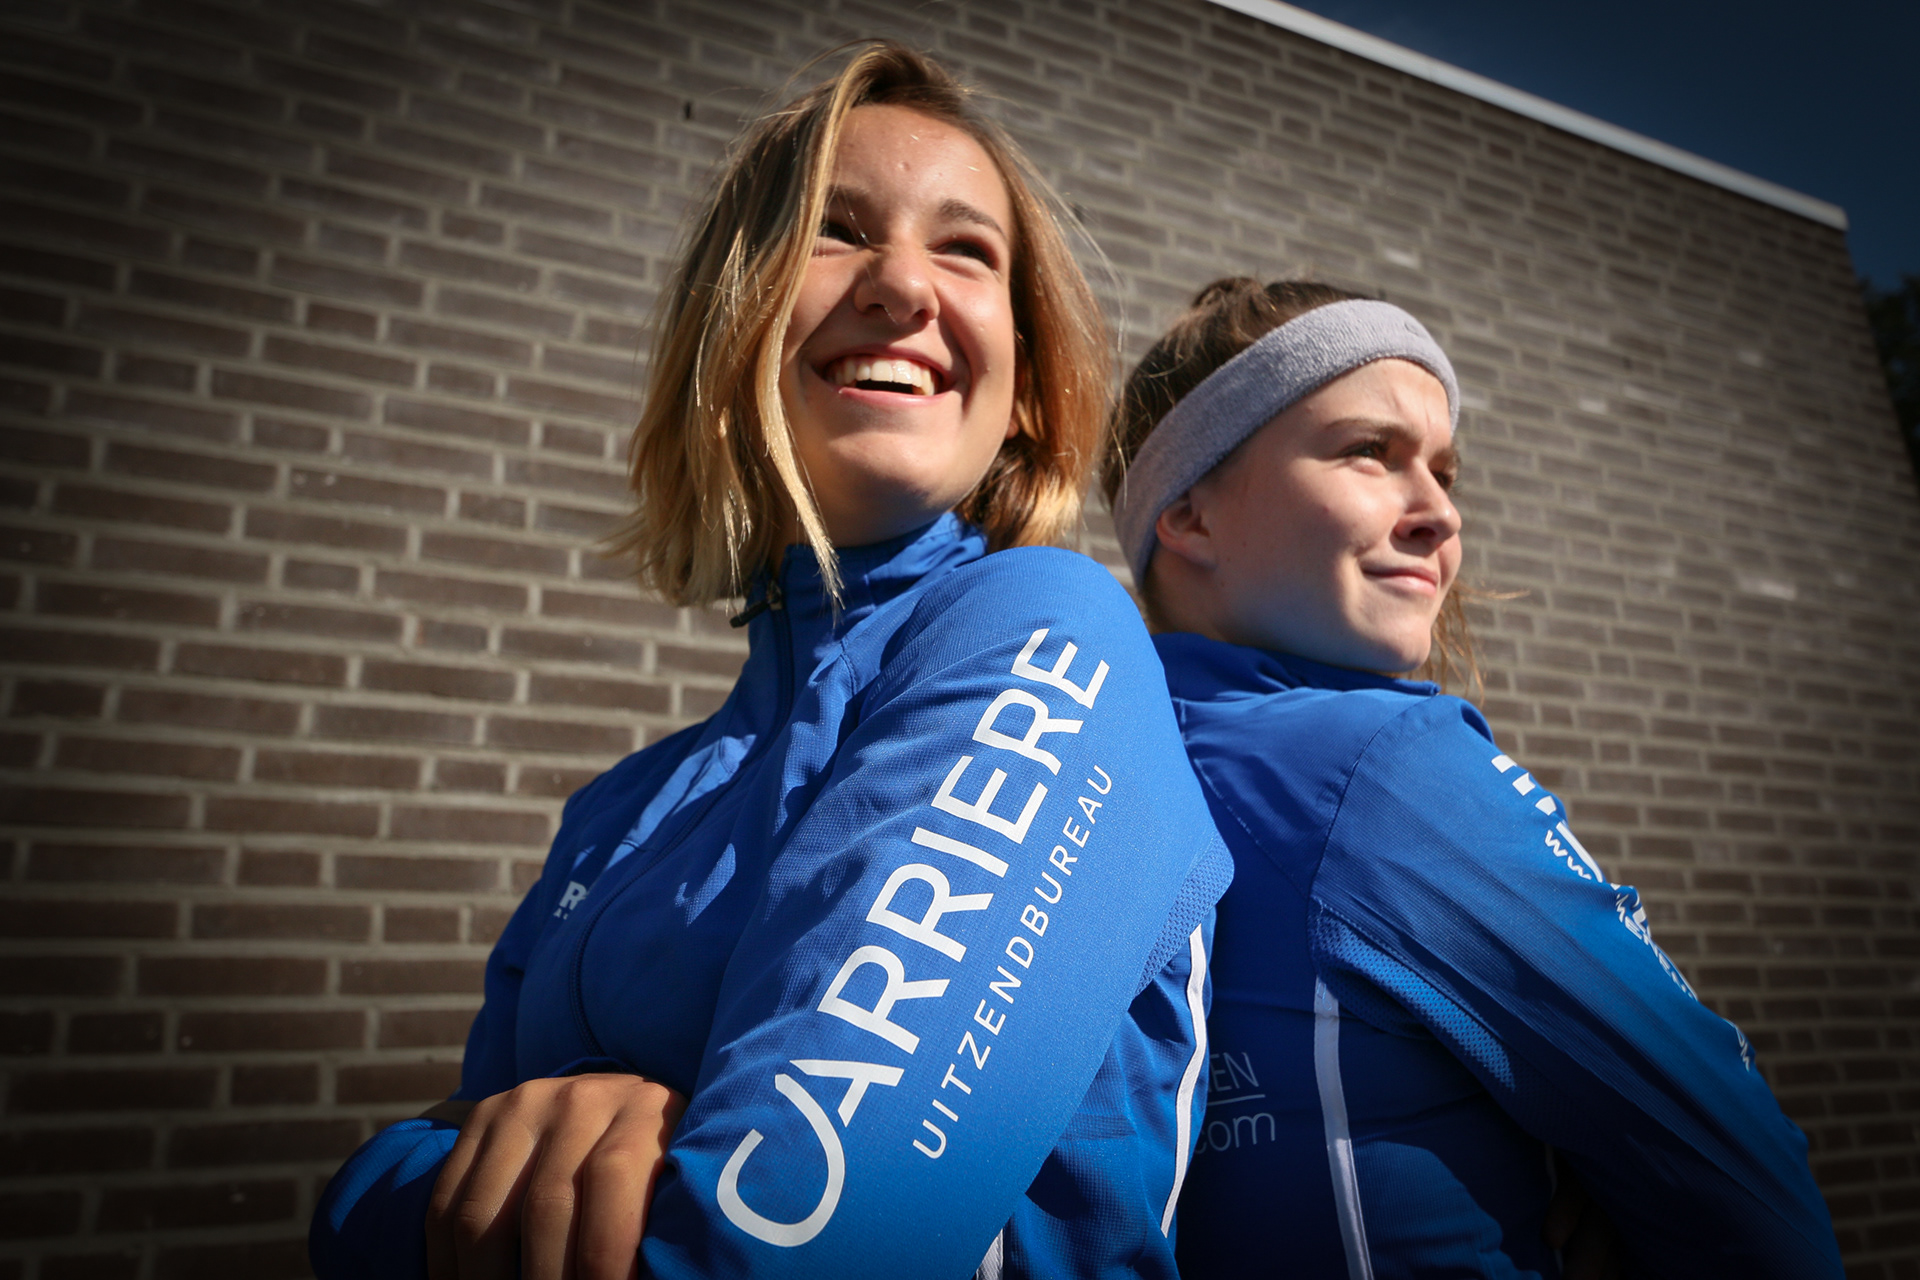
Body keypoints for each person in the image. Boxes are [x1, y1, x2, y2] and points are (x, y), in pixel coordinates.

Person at [309, 43, 1233, 1280]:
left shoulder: (1051, 632)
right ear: (731, 325)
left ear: (1026, 383)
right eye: (835, 232)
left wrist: (376, 1184)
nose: (903, 284)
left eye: (967, 250)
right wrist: (447, 1173)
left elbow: (781, 1236)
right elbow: (461, 1187)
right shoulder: (614, 813)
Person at [1106, 278, 1845, 1279]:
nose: (1439, 514)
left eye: (1444, 470)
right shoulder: (1384, 766)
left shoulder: (1091, 760)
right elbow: (1743, 1184)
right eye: (1370, 451)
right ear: (1189, 514)